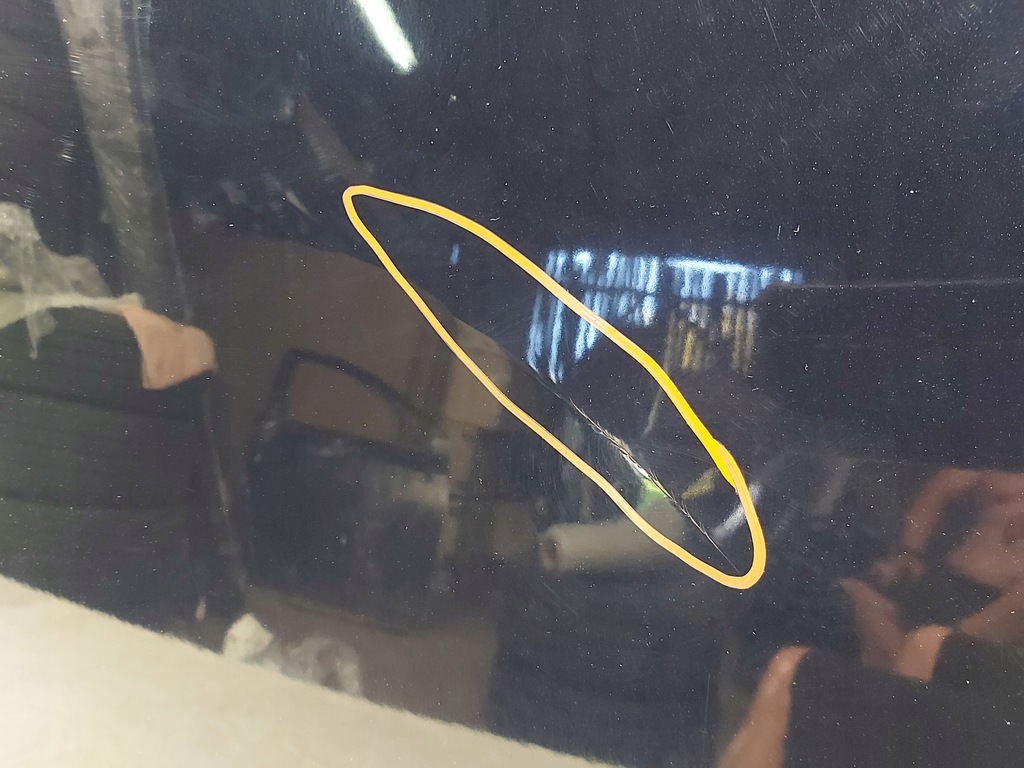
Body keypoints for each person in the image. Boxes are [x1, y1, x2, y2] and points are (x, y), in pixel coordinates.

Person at [718, 467, 1024, 768]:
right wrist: (908, 553)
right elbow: (946, 484)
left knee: (802, 668)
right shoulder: (995, 460)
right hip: (940, 586)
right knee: (835, 597)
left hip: (990, 615)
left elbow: (999, 622)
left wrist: (957, 639)